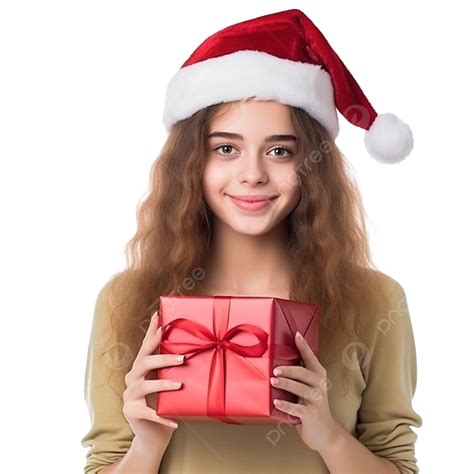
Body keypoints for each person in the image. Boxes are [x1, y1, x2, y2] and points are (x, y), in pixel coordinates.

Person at [81, 8, 422, 474]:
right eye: (226, 148)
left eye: (280, 151)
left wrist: (328, 437)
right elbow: (102, 462)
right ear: (192, 163)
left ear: (312, 167)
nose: (253, 174)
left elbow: (399, 464)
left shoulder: (376, 301)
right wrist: (146, 445)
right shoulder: (127, 301)